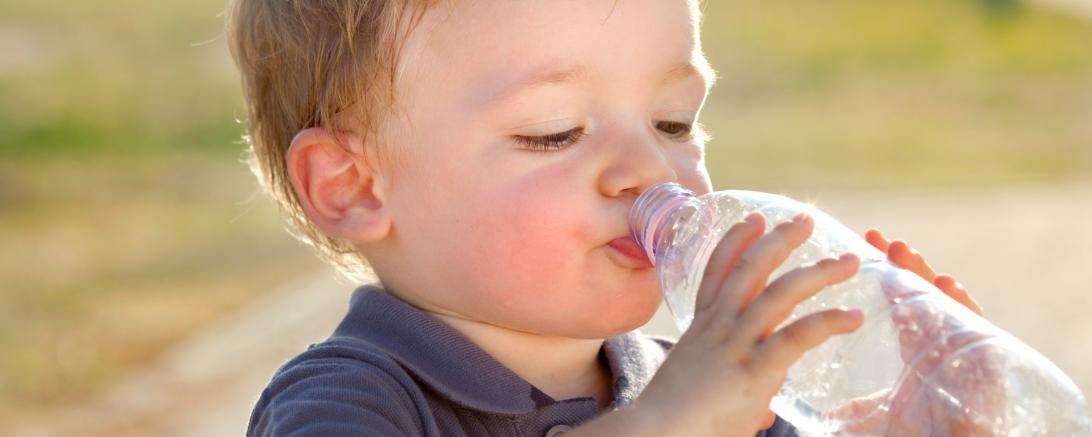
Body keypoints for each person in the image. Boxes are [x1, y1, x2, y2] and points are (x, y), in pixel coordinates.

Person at [227, 1, 987, 435]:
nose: (652, 171)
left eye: (674, 121)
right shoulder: (351, 401)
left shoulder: (708, 388)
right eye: (554, 129)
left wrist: (914, 420)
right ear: (355, 185)